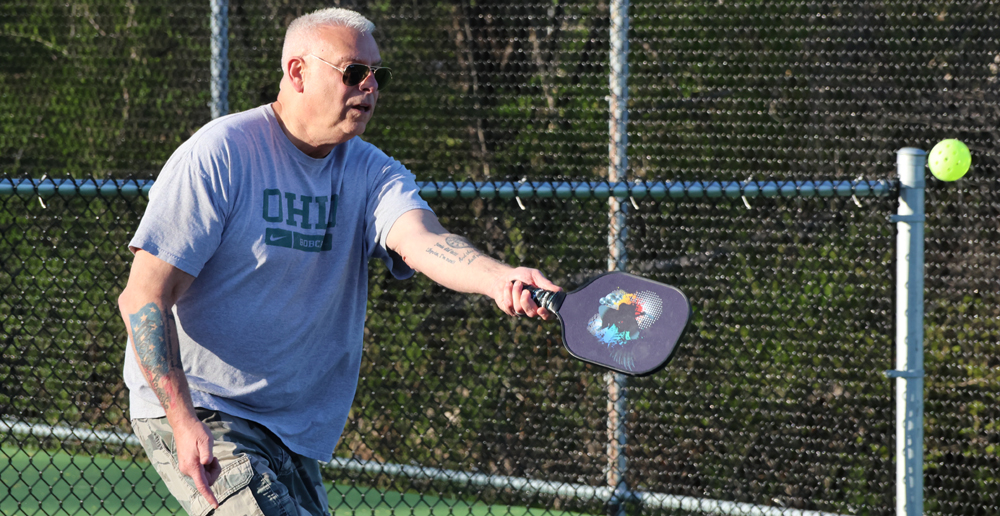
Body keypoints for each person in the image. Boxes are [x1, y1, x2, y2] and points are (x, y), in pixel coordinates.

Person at [117, 7, 559, 516]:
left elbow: (423, 240)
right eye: (353, 72)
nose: (370, 87)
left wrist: (500, 277)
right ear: (298, 72)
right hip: (208, 406)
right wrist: (181, 419)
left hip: (291, 429)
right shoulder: (221, 154)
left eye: (378, 75)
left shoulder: (374, 172)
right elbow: (143, 296)